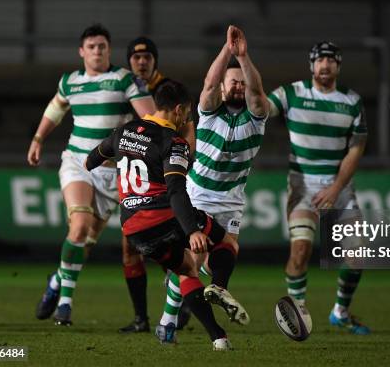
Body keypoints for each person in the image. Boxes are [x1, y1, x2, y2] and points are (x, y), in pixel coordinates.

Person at [85, 78, 238, 350]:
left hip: (133, 229)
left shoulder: (124, 132)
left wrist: (124, 161)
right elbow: (177, 191)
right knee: (227, 243)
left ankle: (218, 338)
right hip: (163, 217)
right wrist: (191, 231)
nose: (187, 118)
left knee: (187, 269)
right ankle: (218, 287)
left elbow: (91, 161)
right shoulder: (173, 142)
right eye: (187, 113)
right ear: (178, 110)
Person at [28, 24, 156, 326]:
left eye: (102, 46)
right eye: (92, 46)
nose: (97, 51)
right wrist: (38, 139)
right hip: (78, 162)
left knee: (84, 245)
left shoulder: (124, 79)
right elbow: (55, 111)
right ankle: (65, 306)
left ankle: (57, 280)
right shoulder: (70, 82)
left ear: (108, 50)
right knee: (80, 225)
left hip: (113, 174)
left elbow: (150, 118)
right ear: (82, 51)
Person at [158, 25, 269, 340]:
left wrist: (244, 59)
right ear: (222, 88)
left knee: (224, 251)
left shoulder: (257, 118)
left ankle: (214, 290)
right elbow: (208, 82)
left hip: (232, 200)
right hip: (197, 196)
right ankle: (168, 321)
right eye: (233, 82)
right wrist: (227, 50)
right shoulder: (206, 113)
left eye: (242, 84)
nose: (238, 87)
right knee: (194, 261)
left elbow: (258, 94)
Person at [267, 41, 370, 335]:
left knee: (358, 254)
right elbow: (261, 108)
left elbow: (356, 149)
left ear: (338, 66)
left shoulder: (351, 101)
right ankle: (296, 314)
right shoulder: (291, 93)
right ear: (311, 65)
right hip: (303, 187)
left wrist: (336, 188)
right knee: (300, 251)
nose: (325, 65)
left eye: (331, 60)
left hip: (339, 189)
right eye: (319, 60)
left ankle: (340, 312)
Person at [118, 36, 196, 334]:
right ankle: (142, 318)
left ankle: (179, 302)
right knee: (130, 248)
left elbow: (187, 128)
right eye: (136, 57)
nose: (141, 61)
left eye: (147, 57)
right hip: (131, 179)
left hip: (163, 179)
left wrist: (182, 161)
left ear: (155, 61)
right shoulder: (120, 87)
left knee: (166, 244)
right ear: (129, 61)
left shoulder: (168, 91)